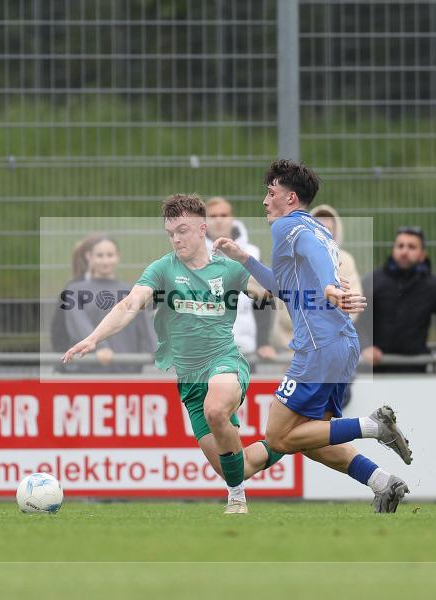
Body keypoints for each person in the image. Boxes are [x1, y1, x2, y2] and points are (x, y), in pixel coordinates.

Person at [63, 194, 284, 514]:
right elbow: (129, 305)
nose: (176, 238)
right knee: (240, 466)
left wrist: (247, 259)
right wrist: (94, 338)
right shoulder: (163, 269)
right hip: (190, 380)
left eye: (182, 230)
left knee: (215, 410)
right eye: (171, 233)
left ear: (201, 228)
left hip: (226, 361)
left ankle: (236, 498)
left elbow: (276, 290)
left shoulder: (228, 267)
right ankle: (288, 443)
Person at [215, 160, 413, 513]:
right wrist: (243, 257)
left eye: (271, 193)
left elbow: (315, 254)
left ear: (290, 198)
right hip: (340, 344)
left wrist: (329, 285)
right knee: (309, 437)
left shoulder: (289, 227)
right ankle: (383, 482)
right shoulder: (315, 228)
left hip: (318, 347)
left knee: (278, 437)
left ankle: (372, 425)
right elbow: (283, 288)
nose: (265, 201)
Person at [268, 203, 362, 407]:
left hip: (328, 348)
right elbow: (283, 307)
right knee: (301, 427)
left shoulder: (344, 260)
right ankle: (367, 426)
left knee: (302, 425)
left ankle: (366, 426)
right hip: (293, 350)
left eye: (328, 230)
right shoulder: (292, 260)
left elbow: (350, 305)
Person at [359, 226, 436, 373]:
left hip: (415, 368)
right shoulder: (372, 281)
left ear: (422, 254)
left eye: (411, 247)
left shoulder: (433, 286)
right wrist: (365, 346)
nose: (404, 251)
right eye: (400, 246)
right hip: (375, 368)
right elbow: (355, 319)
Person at [61, 235, 156, 373]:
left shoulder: (131, 291)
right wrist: (101, 347)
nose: (105, 261)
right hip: (88, 369)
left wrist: (157, 351)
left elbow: (146, 326)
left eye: (110, 255)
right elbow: (79, 324)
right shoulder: (74, 290)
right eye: (100, 255)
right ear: (89, 257)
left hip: (127, 369)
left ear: (118, 257)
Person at [204, 197, 274, 358]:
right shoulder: (194, 256)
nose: (218, 220)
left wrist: (263, 342)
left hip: (245, 348)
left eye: (223, 215)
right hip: (206, 350)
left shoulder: (252, 254)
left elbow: (263, 301)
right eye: (213, 216)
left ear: (232, 218)